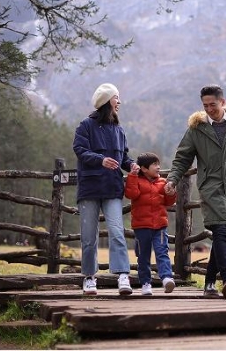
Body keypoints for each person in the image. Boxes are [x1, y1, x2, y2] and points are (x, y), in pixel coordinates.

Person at [165, 85, 226, 299]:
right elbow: (182, 158)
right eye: (205, 106)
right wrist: (172, 179)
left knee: (221, 233)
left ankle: (208, 284)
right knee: (220, 230)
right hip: (210, 187)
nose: (209, 109)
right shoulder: (196, 129)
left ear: (222, 102)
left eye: (212, 105)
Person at [73, 83, 137, 296]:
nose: (119, 102)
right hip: (89, 189)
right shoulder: (85, 125)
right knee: (89, 236)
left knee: (117, 232)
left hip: (112, 188)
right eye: (116, 98)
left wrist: (132, 166)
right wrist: (101, 160)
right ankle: (89, 278)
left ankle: (122, 276)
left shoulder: (119, 129)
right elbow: (80, 150)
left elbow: (124, 157)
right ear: (106, 101)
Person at [125, 152, 177, 296]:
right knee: (143, 256)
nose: (158, 167)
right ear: (144, 168)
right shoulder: (136, 180)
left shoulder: (163, 182)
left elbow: (169, 202)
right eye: (154, 164)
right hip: (142, 226)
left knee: (162, 252)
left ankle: (167, 278)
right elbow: (131, 194)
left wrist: (172, 193)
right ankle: (146, 283)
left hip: (160, 225)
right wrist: (132, 176)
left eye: (158, 164)